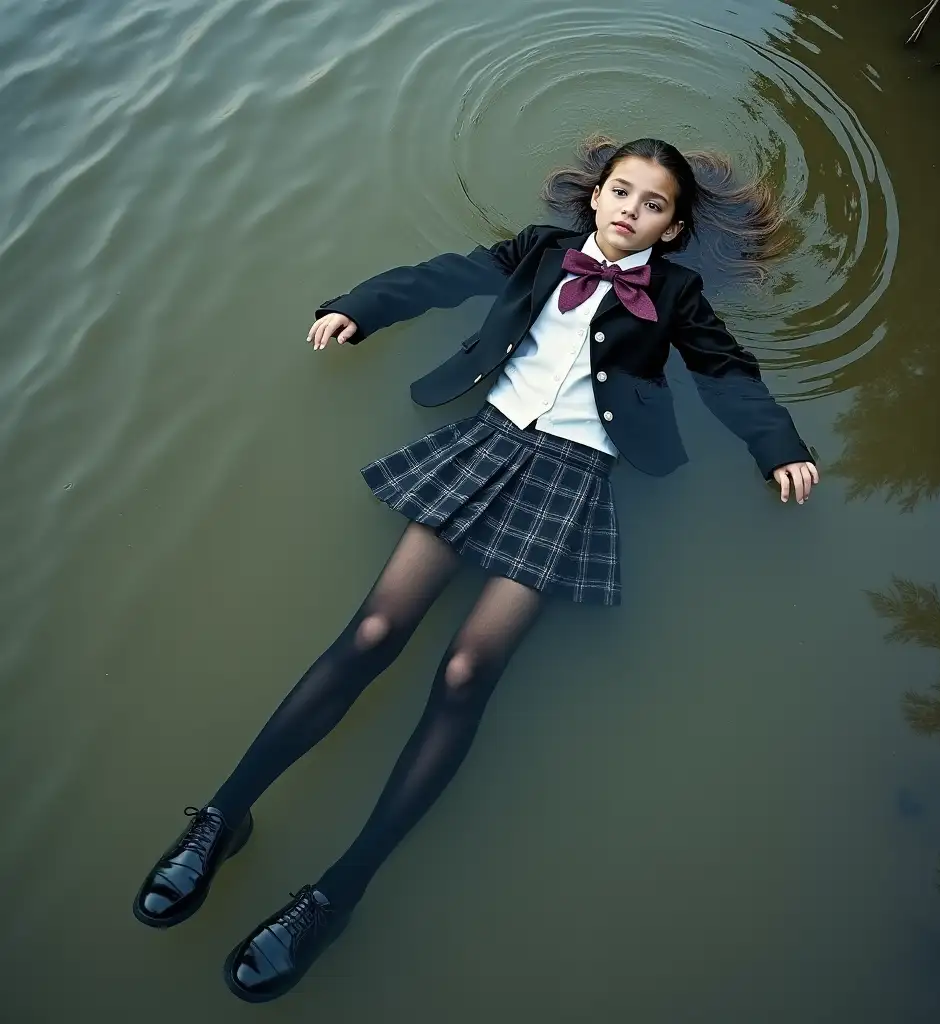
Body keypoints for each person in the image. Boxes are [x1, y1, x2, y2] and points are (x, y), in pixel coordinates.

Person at [133, 136, 818, 1003]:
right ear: (596, 195)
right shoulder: (537, 250)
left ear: (674, 227)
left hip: (573, 479)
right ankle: (221, 821)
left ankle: (336, 895)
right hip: (484, 444)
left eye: (651, 204)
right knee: (375, 630)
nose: (628, 209)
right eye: (620, 191)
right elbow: (440, 275)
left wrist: (777, 446)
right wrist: (361, 307)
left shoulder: (675, 297)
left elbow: (729, 375)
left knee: (464, 671)